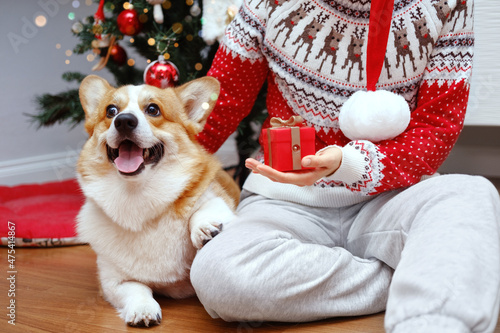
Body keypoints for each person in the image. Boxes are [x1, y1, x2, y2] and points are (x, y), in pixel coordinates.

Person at [191, 0, 500, 332]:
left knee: (472, 194)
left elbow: (436, 126)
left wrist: (352, 163)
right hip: (284, 201)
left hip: (392, 196)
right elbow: (218, 106)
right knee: (218, 273)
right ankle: (407, 272)